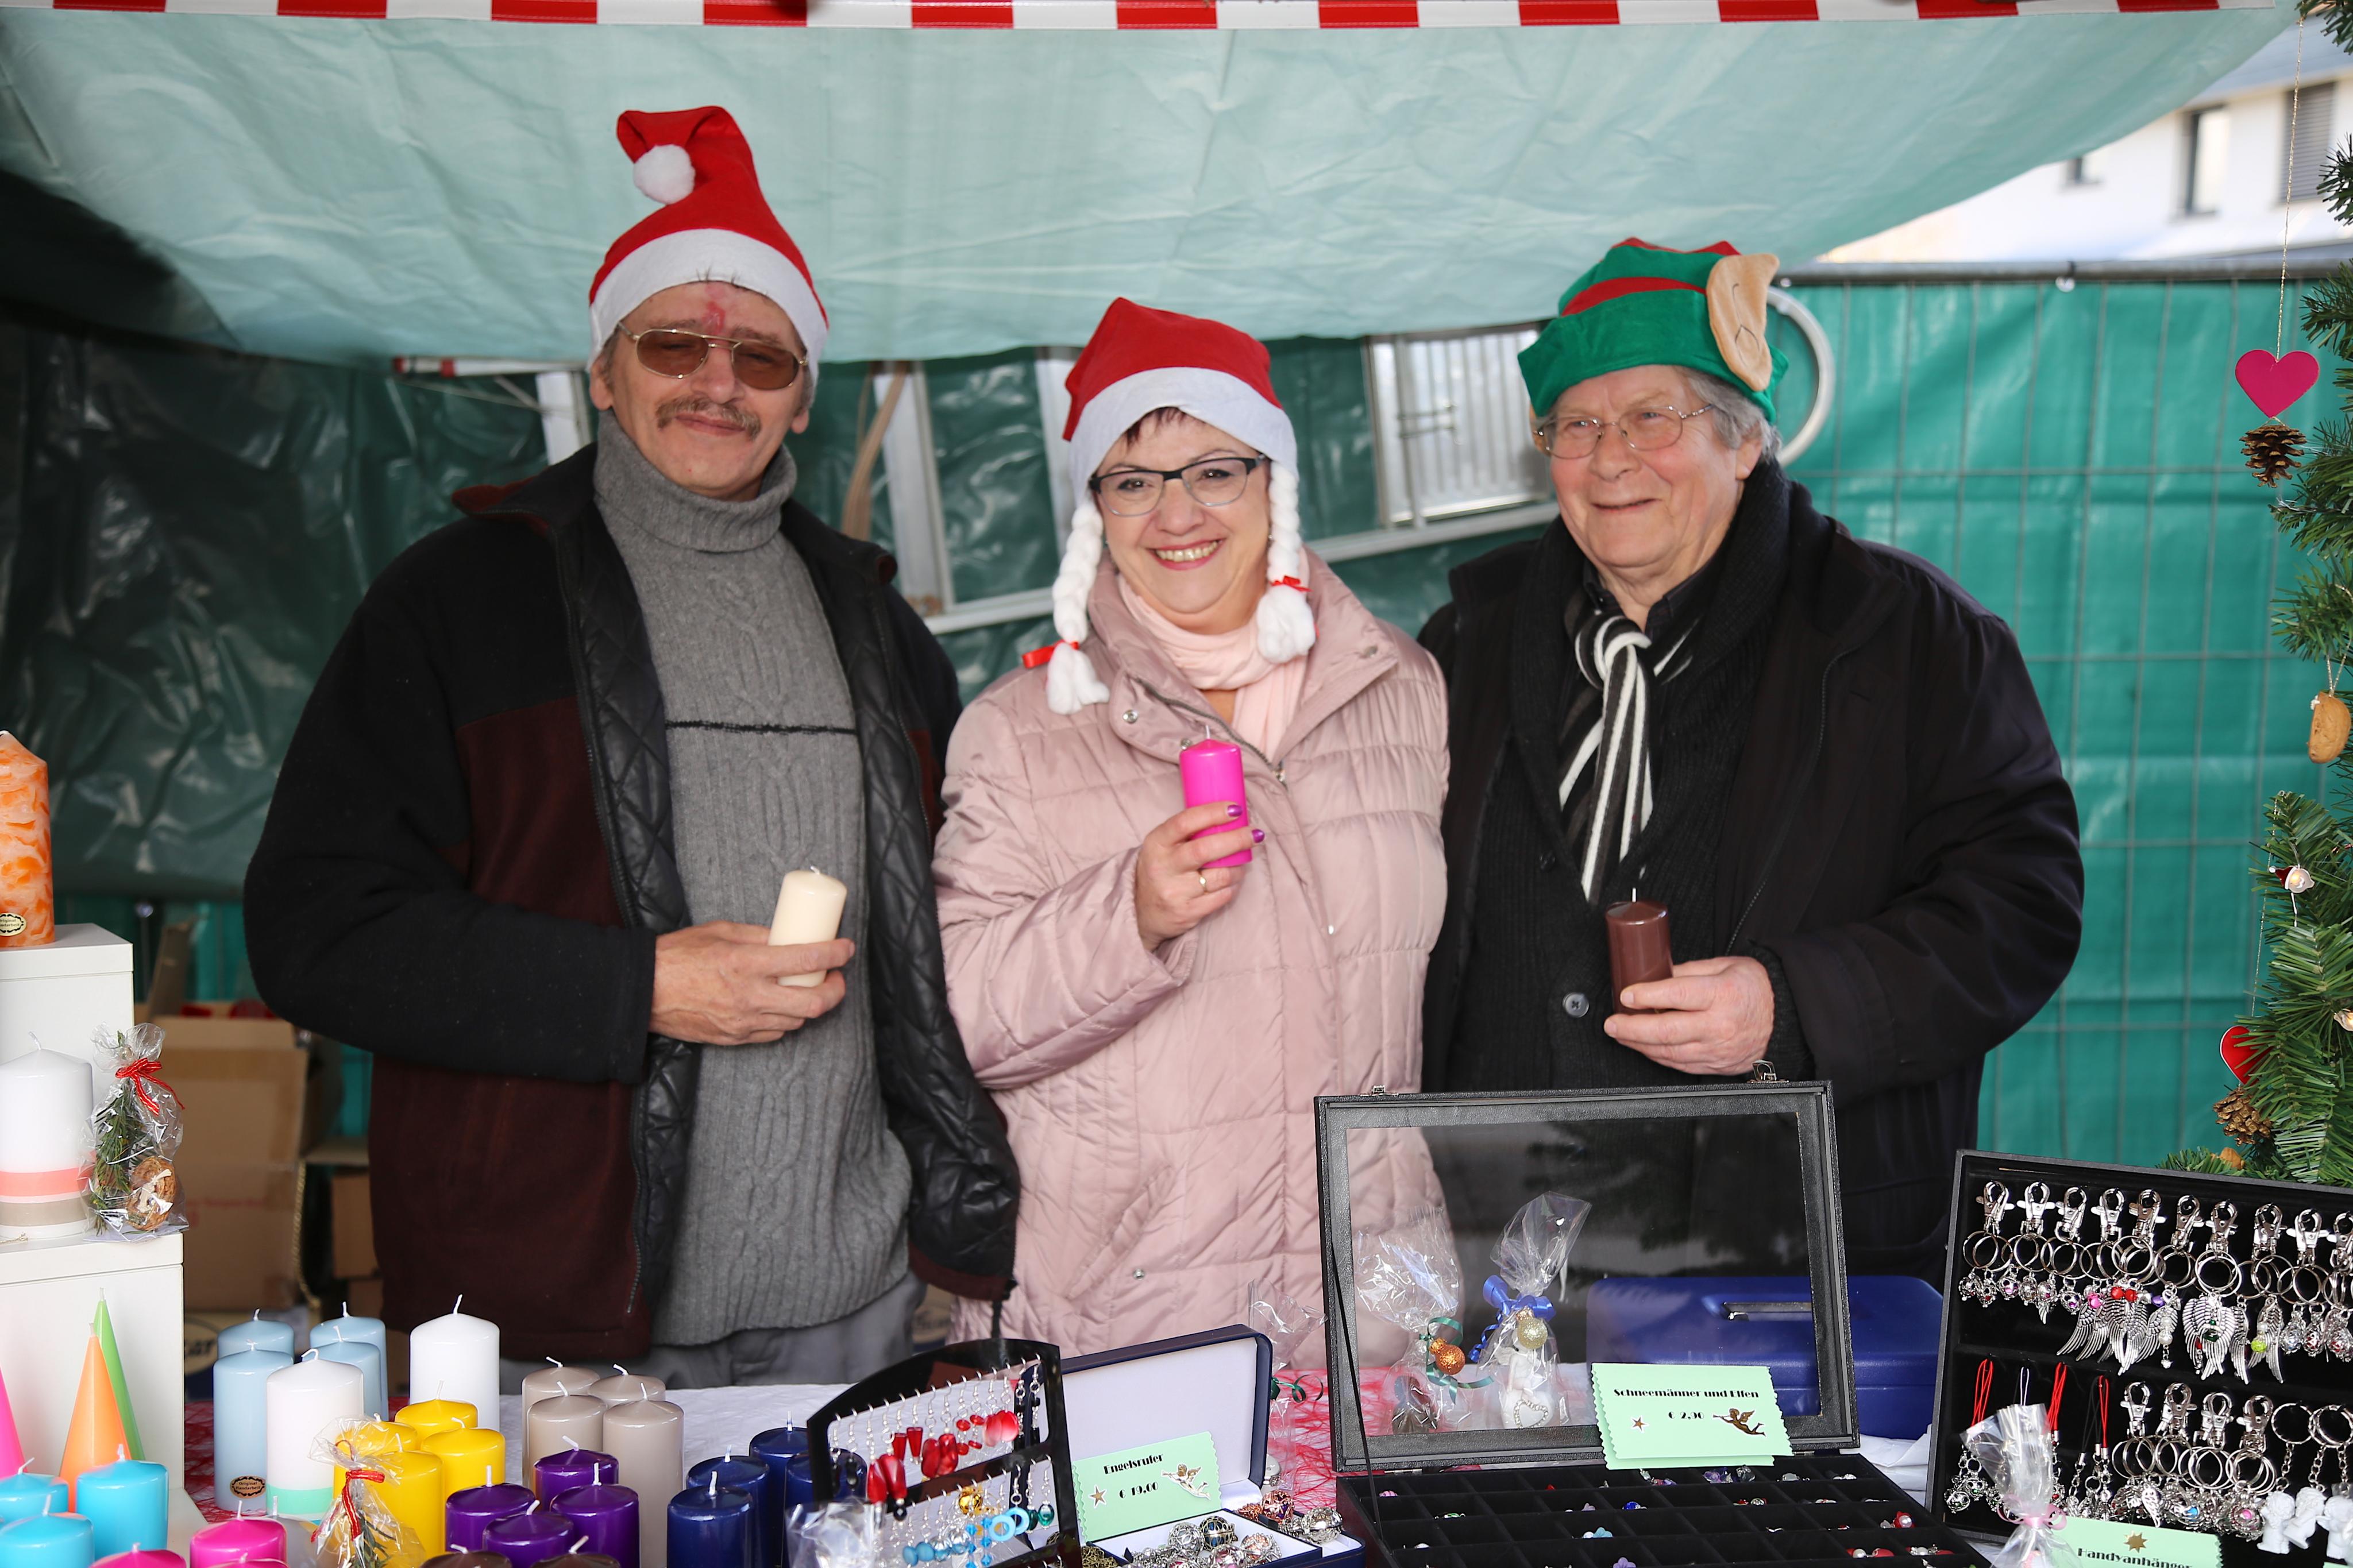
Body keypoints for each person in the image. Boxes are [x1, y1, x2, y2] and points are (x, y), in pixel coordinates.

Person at [243, 106, 1016, 1383]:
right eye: (673, 344)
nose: (717, 382)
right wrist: (638, 989)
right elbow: (317, 933)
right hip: (548, 1314)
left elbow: (965, 921)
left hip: (851, 1304)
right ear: (604, 371)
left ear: (800, 397)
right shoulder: (459, 603)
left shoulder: (876, 626)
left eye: (760, 357)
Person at [1418, 239, 2083, 1281]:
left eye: (1653, 417)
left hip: (1779, 1255)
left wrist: (1795, 1006)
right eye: (1576, 425)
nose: (1610, 459)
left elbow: (2021, 907)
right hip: (1491, 1259)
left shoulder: (1905, 639)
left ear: (1744, 441)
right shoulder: (1468, 641)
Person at [932, 298, 1448, 1355]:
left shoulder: (1402, 688)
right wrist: (1126, 914)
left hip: (1372, 1309)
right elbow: (958, 1018)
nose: (1176, 514)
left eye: (1214, 470)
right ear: (1096, 509)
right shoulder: (1020, 730)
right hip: (1134, 1314)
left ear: (1273, 482)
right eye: (1132, 480)